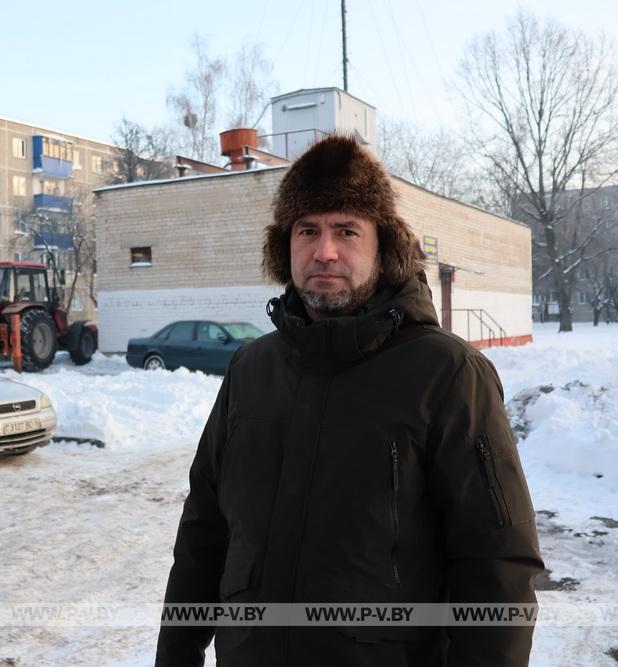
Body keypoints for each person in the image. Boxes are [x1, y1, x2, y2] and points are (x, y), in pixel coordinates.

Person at [156, 135, 543, 666]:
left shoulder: (447, 374)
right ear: (284, 246)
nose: (324, 251)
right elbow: (204, 532)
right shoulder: (251, 370)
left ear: (383, 247)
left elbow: (496, 566)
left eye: (346, 230)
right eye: (307, 231)